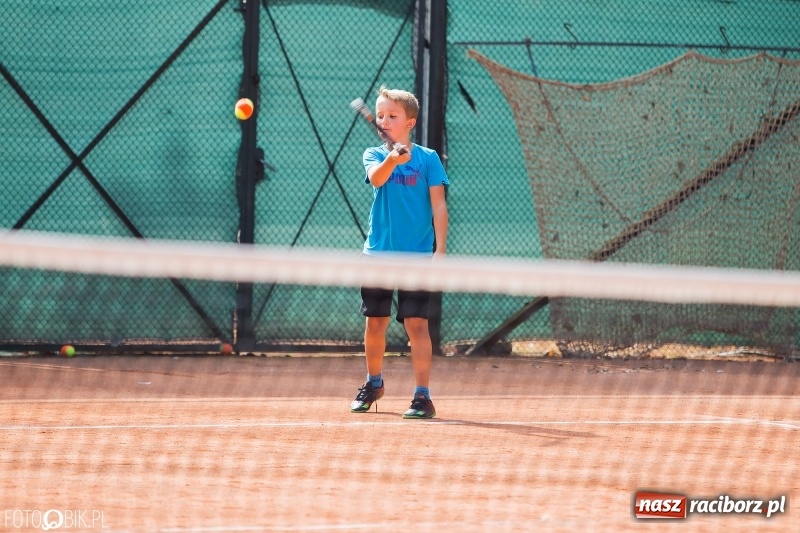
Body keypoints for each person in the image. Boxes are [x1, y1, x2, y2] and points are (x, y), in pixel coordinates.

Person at [349, 85, 449, 419]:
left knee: (417, 325)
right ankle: (373, 383)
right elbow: (377, 180)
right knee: (375, 323)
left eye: (392, 115)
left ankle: (423, 397)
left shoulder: (428, 159)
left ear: (410, 122)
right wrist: (393, 158)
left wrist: (441, 251)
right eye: (379, 115)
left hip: (417, 258)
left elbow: (438, 205)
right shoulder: (374, 154)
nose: (383, 121)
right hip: (377, 255)